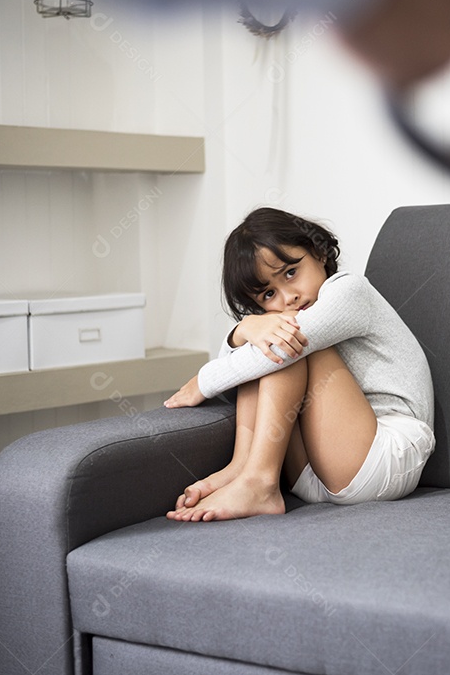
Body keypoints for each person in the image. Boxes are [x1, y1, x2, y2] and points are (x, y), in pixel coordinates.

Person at [164, 207, 435, 521]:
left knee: (287, 337)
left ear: (318, 252)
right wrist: (244, 329)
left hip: (385, 459)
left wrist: (203, 380)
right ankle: (243, 468)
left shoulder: (350, 291)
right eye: (268, 293)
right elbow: (243, 369)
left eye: (291, 273)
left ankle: (260, 481)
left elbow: (283, 345)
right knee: (272, 336)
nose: (288, 296)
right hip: (313, 474)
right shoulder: (281, 316)